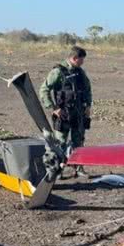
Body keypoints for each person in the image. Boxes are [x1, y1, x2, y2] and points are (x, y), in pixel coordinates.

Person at [39, 45, 92, 177]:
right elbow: (44, 90)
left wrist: (87, 106)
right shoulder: (58, 72)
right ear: (74, 58)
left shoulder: (80, 72)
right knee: (59, 143)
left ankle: (78, 169)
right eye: (81, 60)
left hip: (78, 113)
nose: (82, 62)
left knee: (78, 142)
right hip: (63, 114)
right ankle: (57, 171)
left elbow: (87, 89)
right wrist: (53, 108)